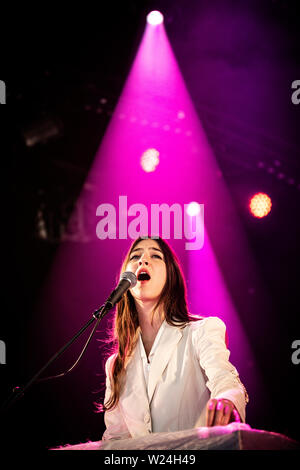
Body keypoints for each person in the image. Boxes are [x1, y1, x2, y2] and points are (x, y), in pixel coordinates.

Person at [101, 236, 249, 441]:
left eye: (155, 255)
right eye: (135, 256)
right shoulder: (115, 365)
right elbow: (116, 441)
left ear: (171, 275)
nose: (143, 260)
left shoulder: (202, 331)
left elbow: (225, 379)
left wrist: (226, 399)